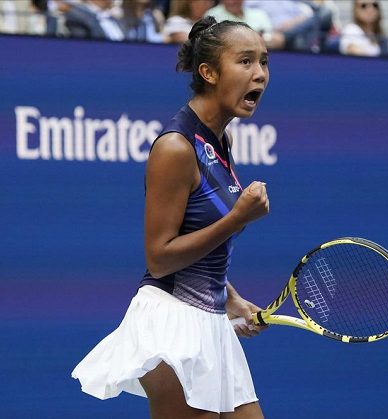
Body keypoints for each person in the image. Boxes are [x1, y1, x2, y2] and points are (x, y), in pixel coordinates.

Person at [72, 16, 270, 419]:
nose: (261, 75)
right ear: (209, 72)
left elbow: (196, 236)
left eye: (264, 62)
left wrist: (231, 299)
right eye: (246, 62)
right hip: (172, 321)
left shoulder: (220, 140)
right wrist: (236, 218)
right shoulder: (175, 147)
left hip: (210, 319)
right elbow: (160, 256)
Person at [204, 0, 285, 49]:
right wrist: (259, 37)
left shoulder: (259, 14)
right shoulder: (212, 15)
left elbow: (278, 40)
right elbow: (212, 43)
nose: (232, 1)